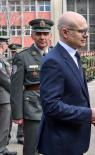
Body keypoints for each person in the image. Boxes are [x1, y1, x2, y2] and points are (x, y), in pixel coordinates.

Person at [37, 12, 95, 155]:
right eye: (81, 31)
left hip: (72, 139)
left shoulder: (74, 55)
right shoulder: (54, 61)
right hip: (61, 143)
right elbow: (51, 106)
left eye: (86, 31)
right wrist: (88, 114)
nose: (86, 35)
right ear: (65, 32)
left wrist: (89, 115)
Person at [10, 18, 54, 155]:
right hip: (32, 108)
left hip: (54, 107)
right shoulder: (22, 57)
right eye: (38, 34)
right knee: (31, 147)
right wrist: (17, 114)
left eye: (45, 34)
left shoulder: (55, 55)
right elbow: (15, 88)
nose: (42, 37)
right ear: (32, 35)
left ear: (50, 35)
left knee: (52, 145)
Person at [0, 36, 17, 155]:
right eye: (6, 43)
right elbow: (4, 78)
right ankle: (1, 149)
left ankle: (3, 147)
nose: (7, 45)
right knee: (4, 124)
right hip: (3, 97)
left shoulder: (2, 58)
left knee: (5, 124)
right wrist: (14, 91)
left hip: (4, 95)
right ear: (1, 45)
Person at [8, 43, 24, 145]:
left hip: (19, 90)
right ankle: (6, 136)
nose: (14, 53)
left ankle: (21, 135)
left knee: (21, 111)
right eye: (13, 52)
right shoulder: (7, 61)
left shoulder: (21, 59)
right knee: (8, 116)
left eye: (16, 51)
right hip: (7, 90)